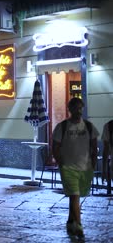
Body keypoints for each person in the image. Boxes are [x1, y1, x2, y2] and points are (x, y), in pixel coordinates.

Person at [52, 97, 99, 240]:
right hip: (68, 167)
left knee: (77, 196)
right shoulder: (62, 127)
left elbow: (94, 147)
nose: (78, 111)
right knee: (74, 195)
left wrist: (93, 163)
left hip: (85, 168)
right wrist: (61, 163)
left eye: (80, 108)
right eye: (75, 108)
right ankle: (78, 225)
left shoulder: (89, 127)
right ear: (70, 109)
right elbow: (55, 147)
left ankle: (70, 221)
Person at [101, 119, 113, 190]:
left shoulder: (109, 126)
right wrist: (104, 170)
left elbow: (106, 149)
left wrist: (104, 170)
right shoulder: (109, 126)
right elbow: (106, 149)